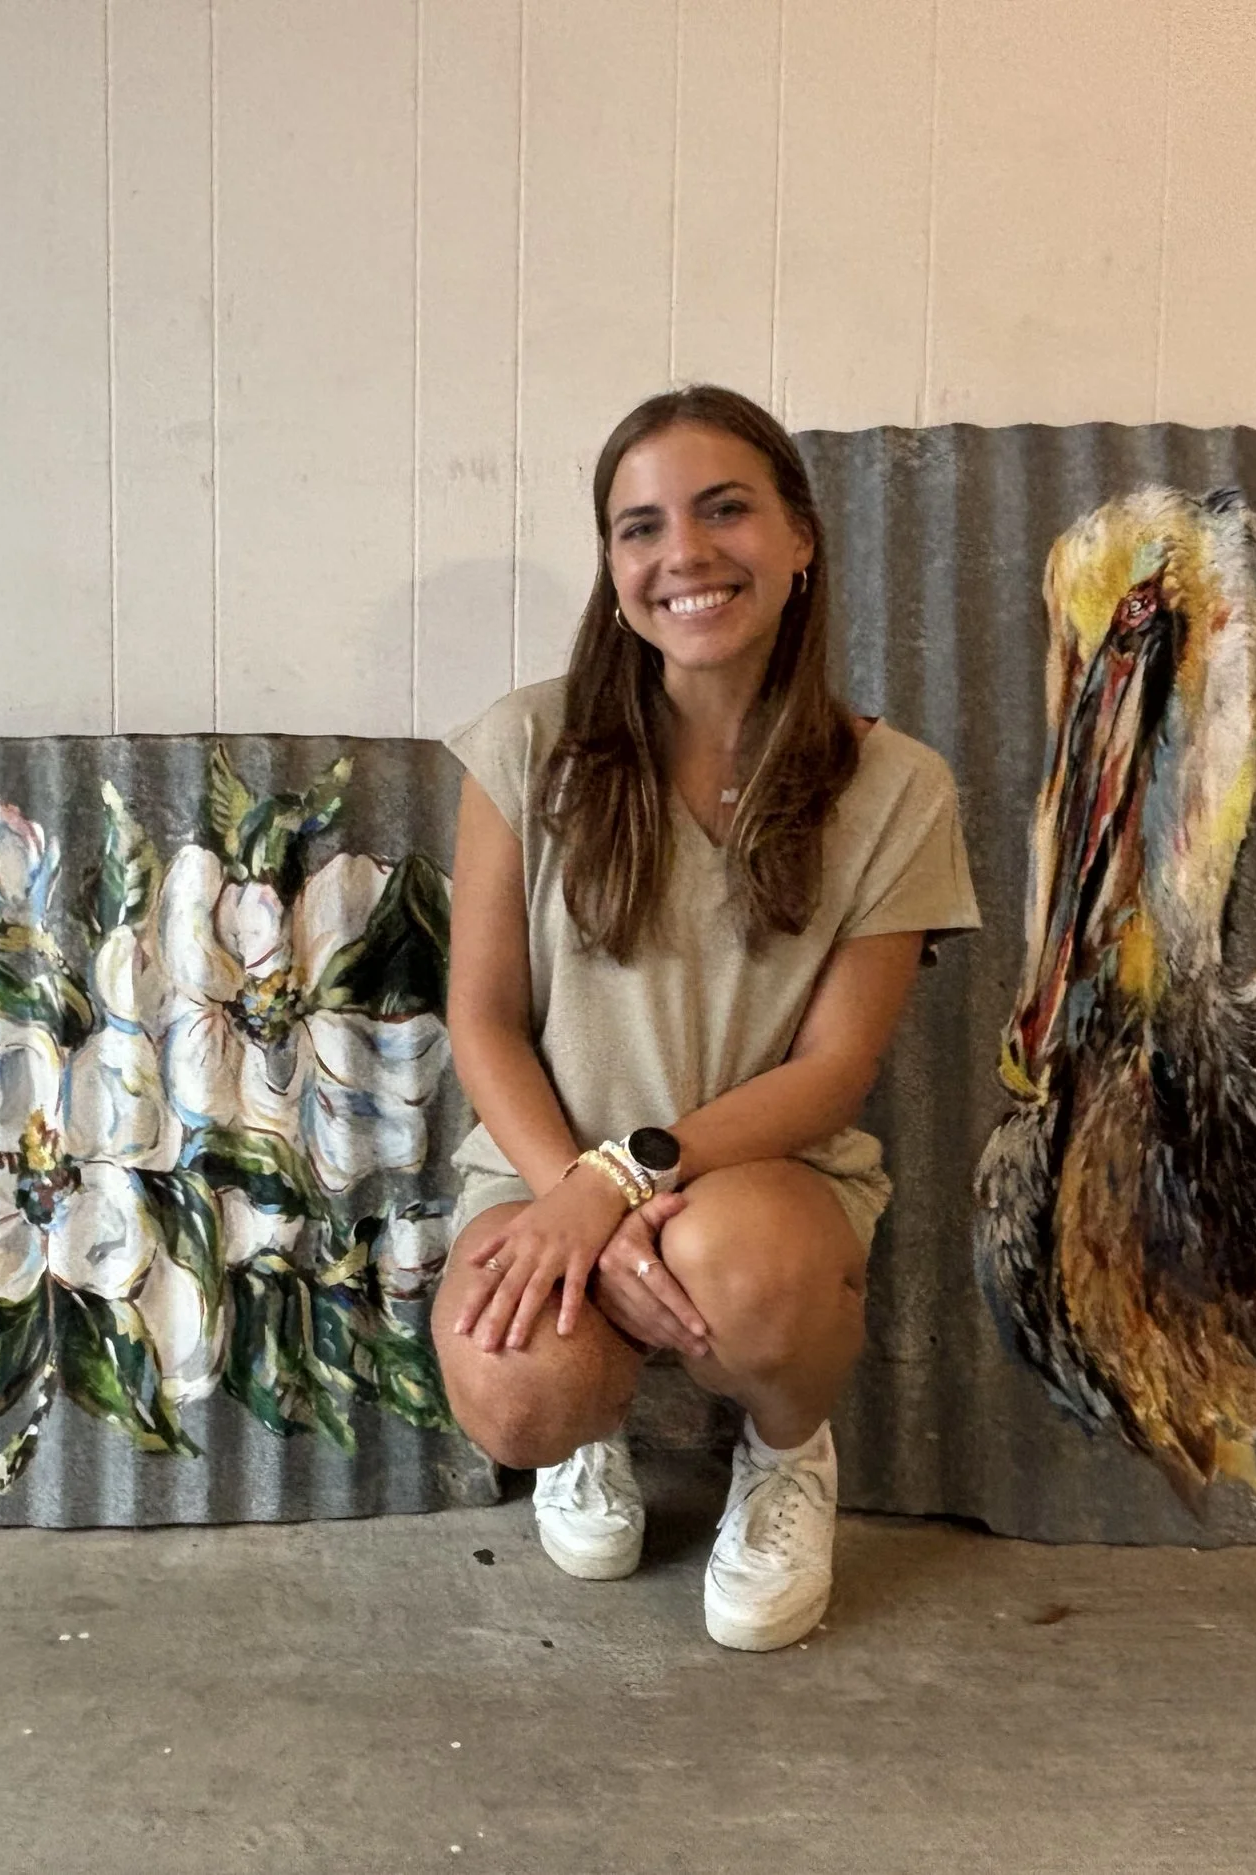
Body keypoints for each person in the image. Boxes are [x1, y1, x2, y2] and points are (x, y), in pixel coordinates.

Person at [436, 384, 979, 1652]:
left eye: (723, 510)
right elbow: (483, 1017)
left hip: (755, 1189)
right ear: (613, 565)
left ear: (799, 540)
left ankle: (789, 1451)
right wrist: (571, 1194)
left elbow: (838, 1066)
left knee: (745, 1275)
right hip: (537, 1172)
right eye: (639, 526)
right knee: (513, 1392)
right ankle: (584, 1433)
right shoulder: (527, 745)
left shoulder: (896, 789)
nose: (681, 552)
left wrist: (622, 1182)